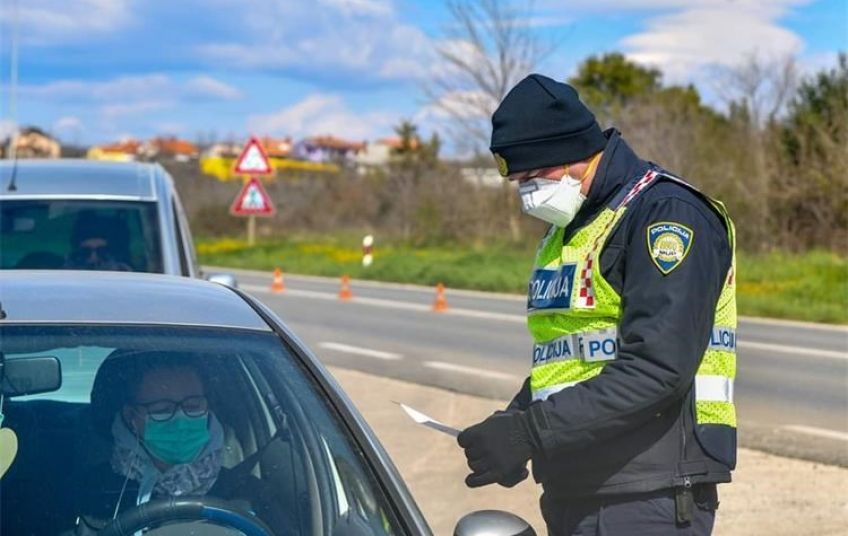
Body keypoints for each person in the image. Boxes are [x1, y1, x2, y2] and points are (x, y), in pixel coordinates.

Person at [457, 74, 736, 535]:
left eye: (532, 176)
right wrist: (512, 425)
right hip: (578, 485)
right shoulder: (572, 229)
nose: (526, 192)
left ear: (572, 153)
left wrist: (532, 432)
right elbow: (569, 356)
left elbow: (658, 368)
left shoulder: (665, 215)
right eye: (517, 181)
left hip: (647, 493)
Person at [74, 352, 291, 533]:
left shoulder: (251, 495)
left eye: (193, 405)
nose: (181, 420)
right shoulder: (90, 494)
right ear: (131, 417)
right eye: (162, 409)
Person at [64, 212, 132, 271]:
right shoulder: (66, 273)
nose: (93, 258)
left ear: (112, 253)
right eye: (86, 252)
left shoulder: (125, 273)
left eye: (102, 252)